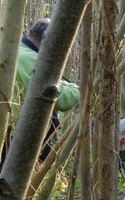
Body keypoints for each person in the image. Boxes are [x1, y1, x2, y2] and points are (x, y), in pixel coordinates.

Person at [15, 18, 81, 162]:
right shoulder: (33, 60)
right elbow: (61, 98)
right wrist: (79, 91)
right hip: (22, 138)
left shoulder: (17, 51)